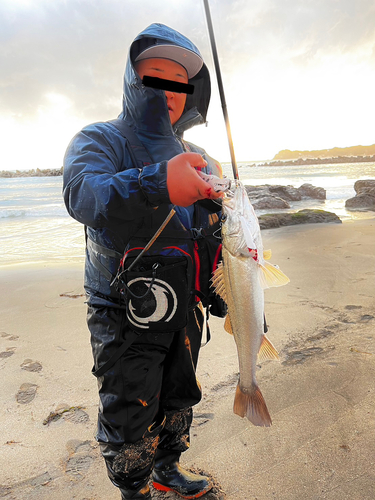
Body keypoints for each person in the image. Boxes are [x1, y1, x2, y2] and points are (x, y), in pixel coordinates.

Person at [63, 23, 226, 500]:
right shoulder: (100, 139)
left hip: (186, 309)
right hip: (124, 311)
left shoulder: (200, 157)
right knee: (129, 408)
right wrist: (156, 182)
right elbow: (82, 193)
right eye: (155, 77)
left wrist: (228, 291)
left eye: (179, 81)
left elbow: (213, 233)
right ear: (133, 82)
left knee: (180, 395)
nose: (168, 90)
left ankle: (167, 468)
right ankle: (135, 490)